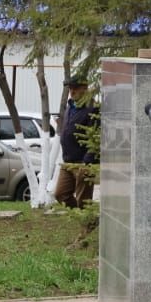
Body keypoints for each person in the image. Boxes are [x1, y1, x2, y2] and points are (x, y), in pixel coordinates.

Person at [54, 77, 99, 208]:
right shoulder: (70, 106)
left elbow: (95, 137)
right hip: (68, 161)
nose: (71, 91)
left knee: (83, 200)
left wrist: (87, 162)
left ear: (84, 89)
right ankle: (80, 216)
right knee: (60, 194)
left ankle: (87, 225)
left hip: (83, 163)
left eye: (75, 88)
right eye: (70, 88)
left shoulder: (93, 108)